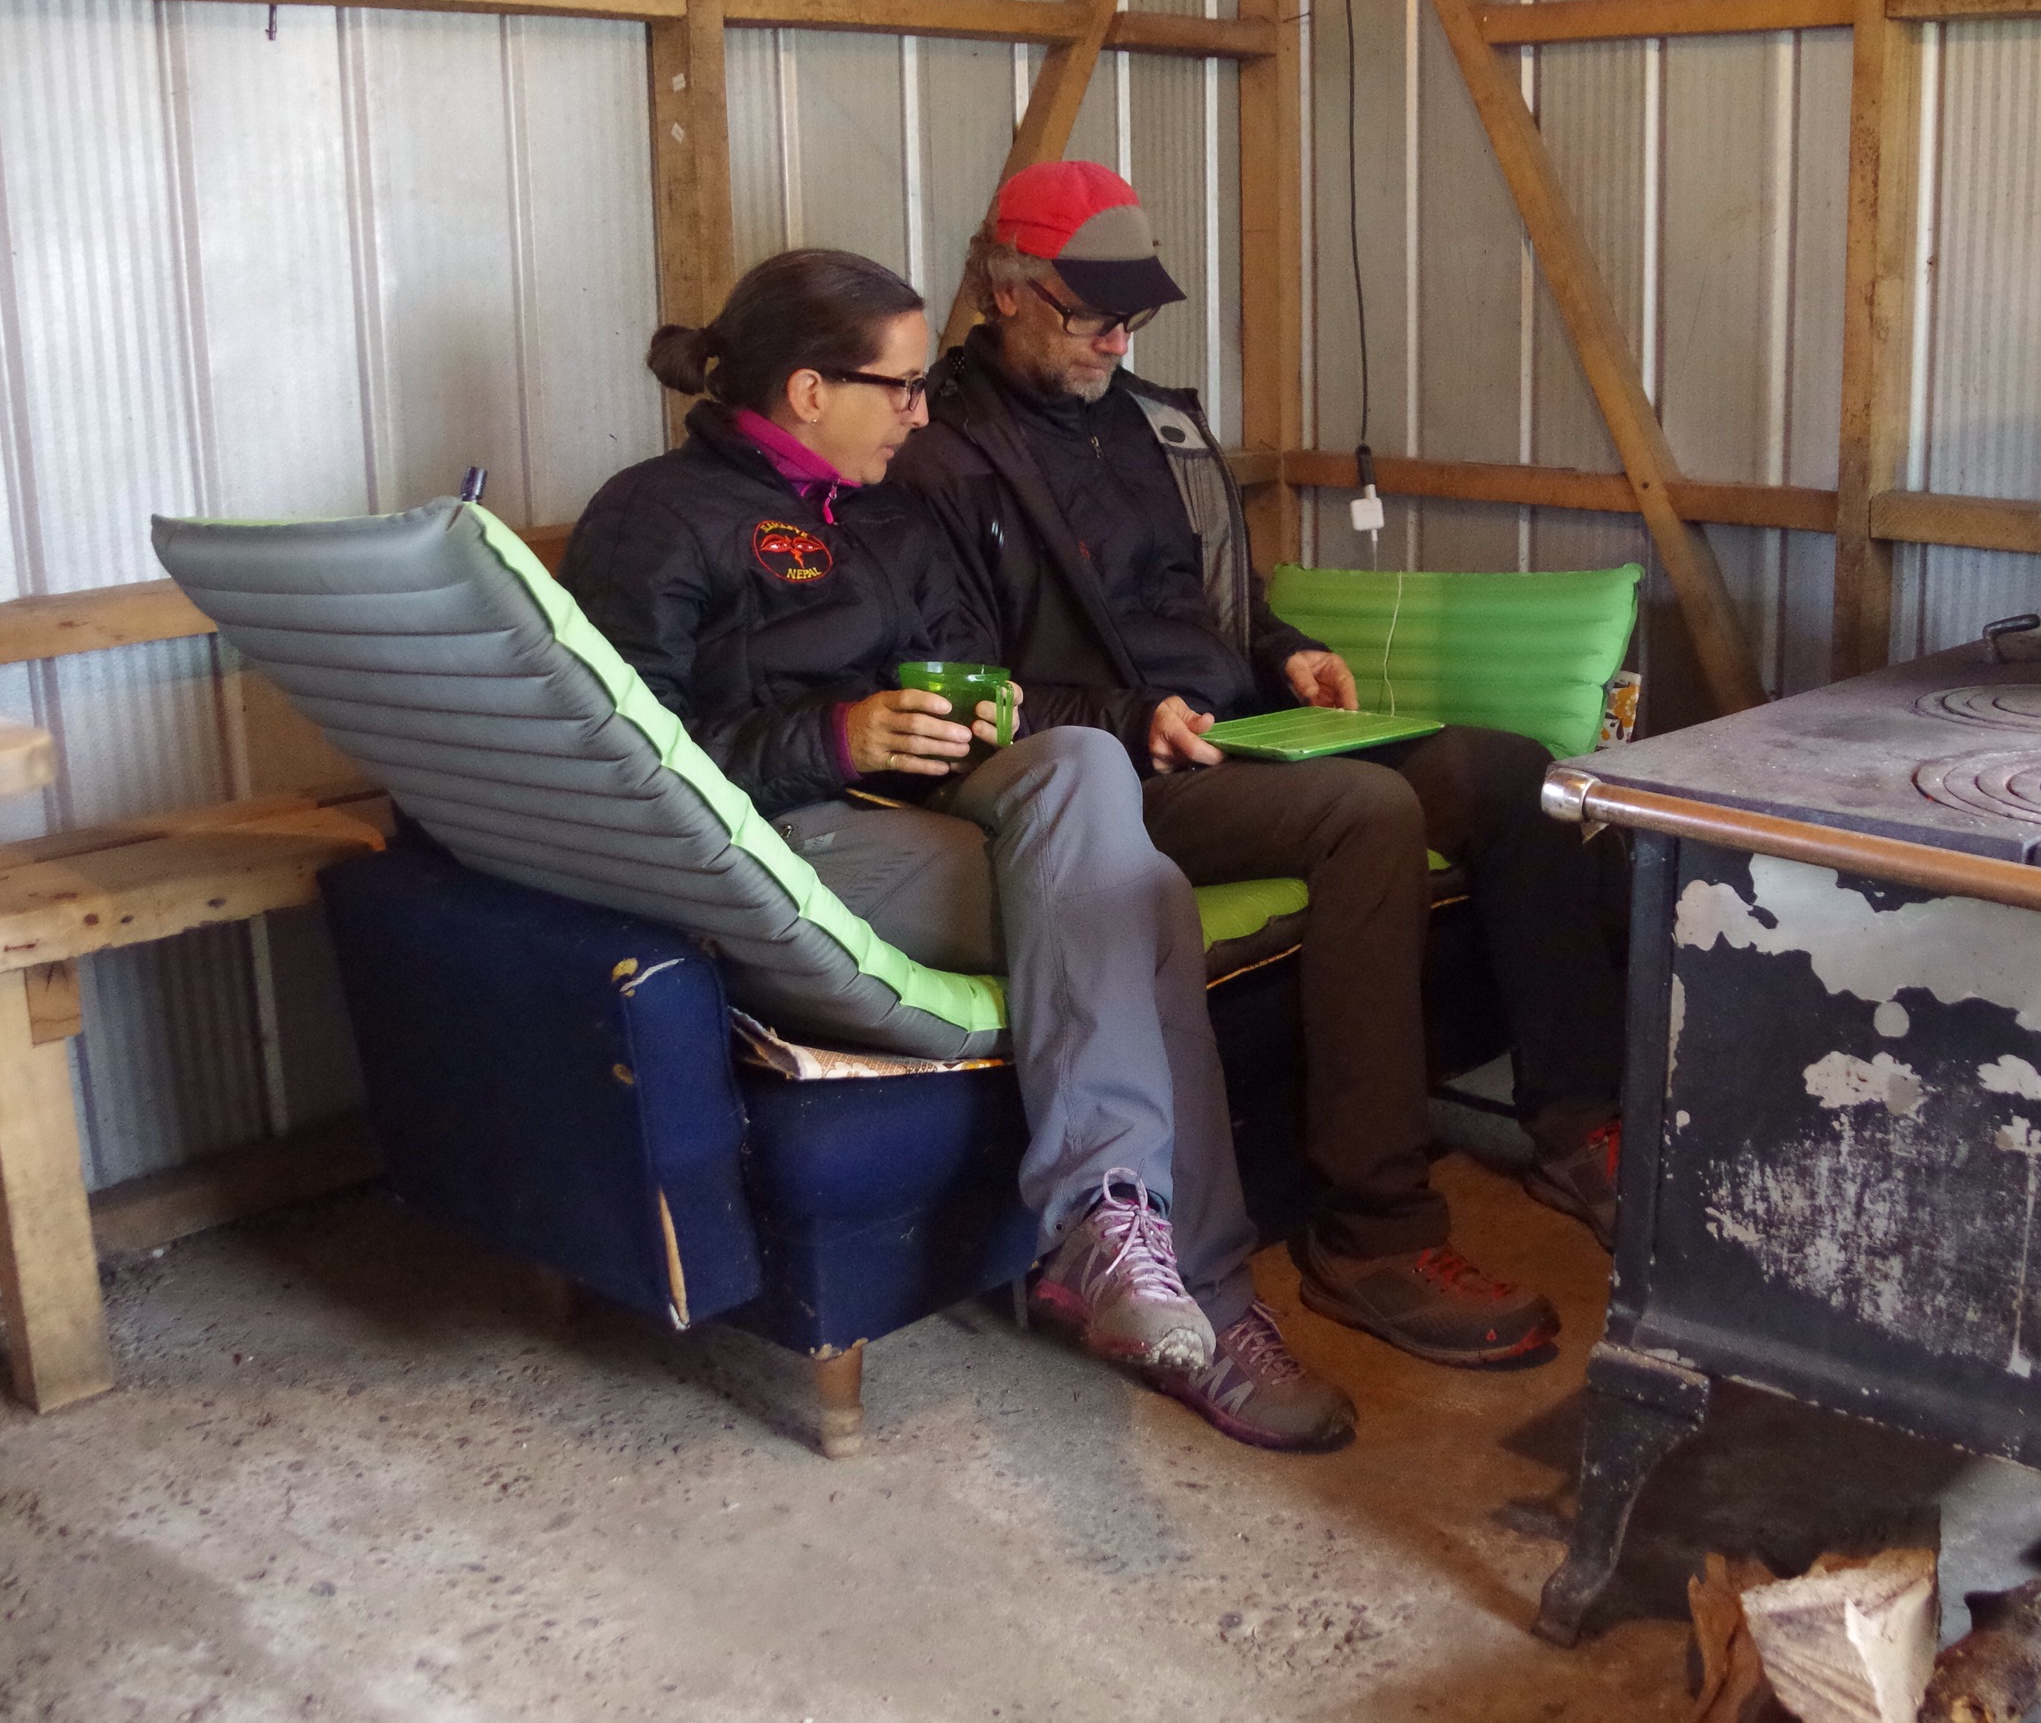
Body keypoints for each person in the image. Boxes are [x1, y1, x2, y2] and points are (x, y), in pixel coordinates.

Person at [559, 247, 1353, 1452]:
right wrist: (836, 735)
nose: (923, 413)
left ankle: (1116, 1236)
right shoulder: (655, 515)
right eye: (904, 386)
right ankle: (1190, 1286)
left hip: (926, 804)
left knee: (1081, 769)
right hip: (780, 842)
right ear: (810, 391)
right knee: (1144, 904)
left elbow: (975, 661)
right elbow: (625, 752)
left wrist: (988, 712)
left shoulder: (887, 511)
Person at [893, 163, 1633, 1373]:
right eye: (1092, 315)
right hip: (1112, 781)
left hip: (1243, 735)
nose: (1118, 341)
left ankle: (1576, 1126)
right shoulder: (937, 458)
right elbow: (965, 682)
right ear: (1004, 289)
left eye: (1135, 315)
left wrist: (1286, 654)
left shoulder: (1156, 426)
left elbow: (1212, 609)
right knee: (1365, 812)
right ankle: (1372, 1231)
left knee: (1515, 775)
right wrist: (1135, 717)